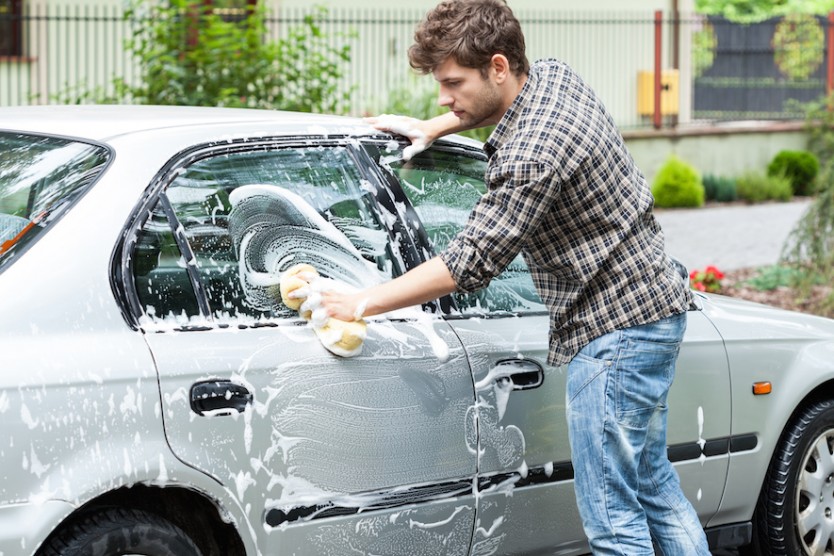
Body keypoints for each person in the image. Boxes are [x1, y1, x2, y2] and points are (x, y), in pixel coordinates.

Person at [313, 0, 710, 553]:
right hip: (653, 308)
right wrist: (438, 124)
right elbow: (491, 105)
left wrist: (361, 303)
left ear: (498, 66)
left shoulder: (531, 155)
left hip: (615, 333)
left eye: (453, 84)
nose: (444, 97)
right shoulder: (552, 76)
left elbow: (471, 260)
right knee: (653, 485)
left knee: (613, 519)